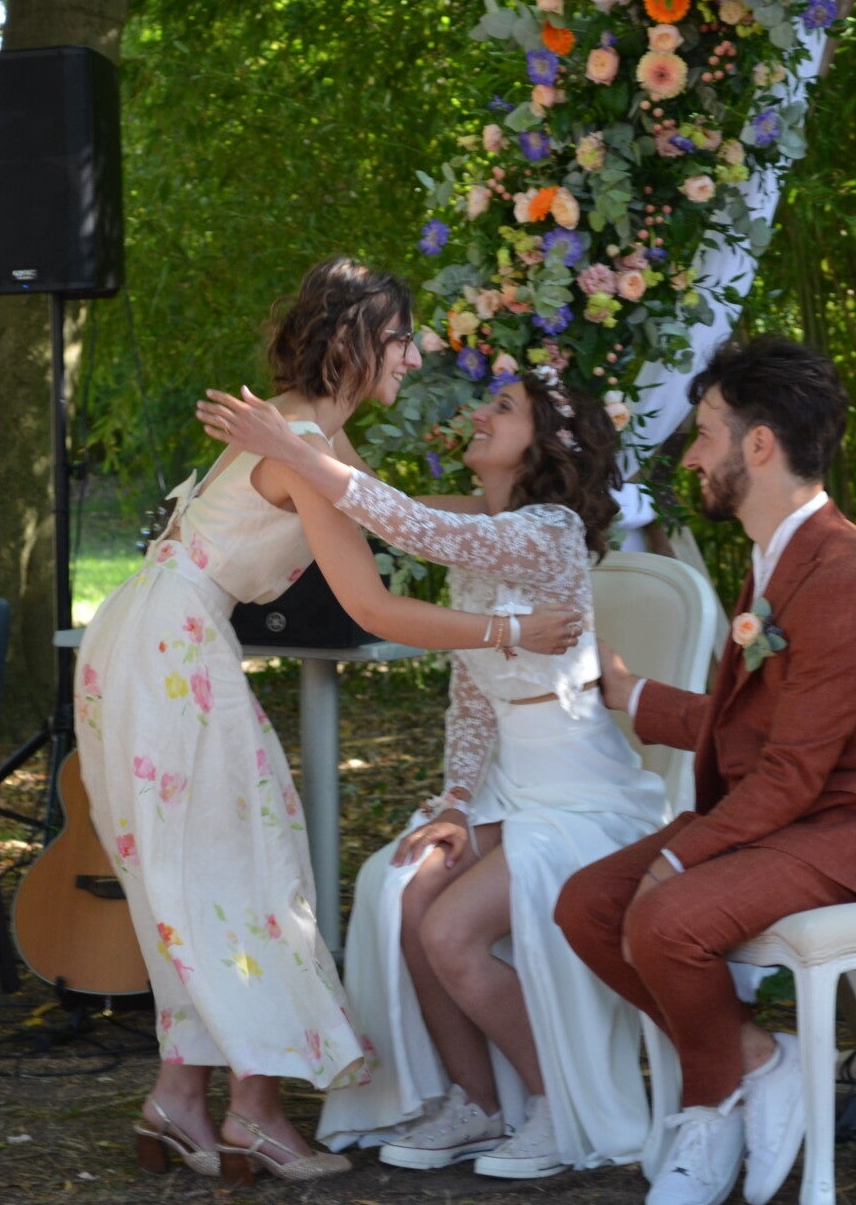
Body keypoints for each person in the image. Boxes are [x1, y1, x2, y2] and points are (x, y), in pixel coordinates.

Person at [75, 257, 577, 1186]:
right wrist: (511, 629)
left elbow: (394, 516)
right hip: (173, 648)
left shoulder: (311, 435)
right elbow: (372, 605)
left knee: (196, 873)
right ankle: (255, 1113)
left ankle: (178, 1099)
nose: (413, 356)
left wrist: (513, 514)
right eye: (401, 338)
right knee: (248, 870)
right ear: (352, 341)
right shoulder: (302, 441)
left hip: (142, 633)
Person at [551, 336, 856, 1205]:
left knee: (664, 917)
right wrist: (636, 696)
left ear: (757, 445)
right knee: (586, 905)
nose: (690, 456)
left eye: (703, 433)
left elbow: (791, 770)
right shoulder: (778, 558)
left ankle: (707, 1105)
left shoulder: (841, 577)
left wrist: (675, 858)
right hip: (794, 814)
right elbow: (759, 733)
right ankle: (756, 1058)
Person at [197, 366, 669, 1180]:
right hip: (509, 791)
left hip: (584, 797)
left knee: (451, 929)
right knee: (404, 886)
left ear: (546, 444)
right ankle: (475, 1101)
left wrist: (293, 449)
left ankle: (556, 1106)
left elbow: (408, 523)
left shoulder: (547, 530)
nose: (478, 414)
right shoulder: (483, 527)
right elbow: (474, 694)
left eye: (501, 407)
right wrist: (453, 800)